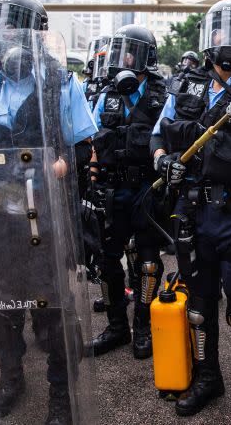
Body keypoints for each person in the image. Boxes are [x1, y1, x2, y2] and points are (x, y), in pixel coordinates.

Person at [0, 0, 98, 422]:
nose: (2, 35)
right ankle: (10, 378)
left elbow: (81, 147)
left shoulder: (60, 83)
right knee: (0, 305)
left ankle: (60, 394)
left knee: (51, 307)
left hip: (44, 212)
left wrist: (57, 168)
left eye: (12, 26)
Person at [151, 0, 231, 425]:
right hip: (193, 213)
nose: (230, 43)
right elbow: (158, 136)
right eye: (222, 32)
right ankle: (208, 379)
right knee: (198, 308)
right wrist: (163, 160)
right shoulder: (185, 86)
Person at [88, 24, 168, 359]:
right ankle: (117, 327)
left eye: (131, 51)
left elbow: (168, 140)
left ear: (147, 58)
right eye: (120, 51)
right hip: (111, 189)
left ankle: (145, 328)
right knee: (106, 260)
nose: (125, 59)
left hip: (146, 190)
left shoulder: (162, 98)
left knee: (148, 262)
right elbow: (91, 139)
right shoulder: (106, 95)